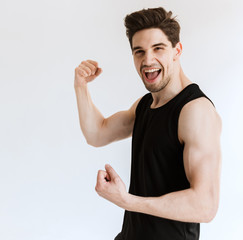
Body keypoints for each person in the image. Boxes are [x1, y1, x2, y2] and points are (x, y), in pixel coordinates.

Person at [74, 7, 222, 240]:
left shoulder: (195, 111)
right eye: (139, 52)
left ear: (177, 50)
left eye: (158, 49)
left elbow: (205, 205)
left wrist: (127, 201)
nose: (147, 60)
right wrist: (80, 86)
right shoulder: (146, 104)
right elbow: (97, 134)